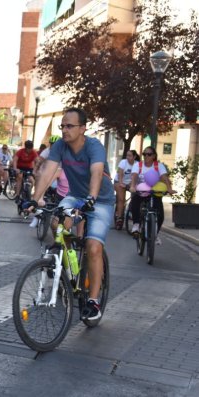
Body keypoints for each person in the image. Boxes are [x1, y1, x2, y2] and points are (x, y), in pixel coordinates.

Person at [25, 107, 115, 321]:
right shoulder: (60, 146)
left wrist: (92, 198)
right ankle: (66, 264)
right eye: (62, 126)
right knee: (57, 224)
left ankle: (93, 301)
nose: (65, 130)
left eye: (70, 126)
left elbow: (95, 172)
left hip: (100, 200)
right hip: (75, 195)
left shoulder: (94, 146)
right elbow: (47, 172)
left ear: (83, 128)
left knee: (93, 247)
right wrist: (34, 198)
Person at [129, 146, 176, 244]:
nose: (146, 156)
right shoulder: (138, 165)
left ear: (154, 156)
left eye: (149, 154)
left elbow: (164, 177)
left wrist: (169, 189)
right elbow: (134, 176)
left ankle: (155, 234)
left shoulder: (158, 166)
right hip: (141, 191)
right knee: (134, 202)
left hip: (154, 193)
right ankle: (136, 225)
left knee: (160, 215)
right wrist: (133, 186)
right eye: (144, 154)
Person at [113, 149, 140, 230]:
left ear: (134, 157)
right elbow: (120, 173)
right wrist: (121, 183)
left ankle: (131, 211)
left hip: (131, 183)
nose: (127, 157)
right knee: (121, 199)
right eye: (127, 155)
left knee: (136, 196)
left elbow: (136, 176)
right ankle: (119, 218)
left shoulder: (137, 164)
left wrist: (132, 184)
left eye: (130, 156)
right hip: (119, 181)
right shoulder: (123, 162)